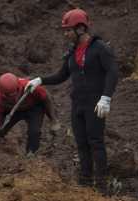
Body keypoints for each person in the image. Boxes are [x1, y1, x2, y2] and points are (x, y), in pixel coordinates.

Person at [25, 8, 119, 190]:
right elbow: (61, 75)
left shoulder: (100, 49)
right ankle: (85, 183)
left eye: (68, 30)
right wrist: (40, 80)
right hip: (78, 105)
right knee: (81, 143)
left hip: (96, 104)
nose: (66, 34)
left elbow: (112, 72)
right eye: (65, 31)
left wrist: (106, 97)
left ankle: (101, 186)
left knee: (96, 142)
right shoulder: (72, 53)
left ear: (81, 29)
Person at [0, 72, 58, 157]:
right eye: (9, 95)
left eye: (14, 93)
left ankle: (31, 154)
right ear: (3, 93)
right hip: (12, 111)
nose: (13, 97)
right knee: (0, 132)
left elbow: (46, 99)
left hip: (34, 108)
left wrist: (53, 120)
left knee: (34, 131)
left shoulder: (31, 87)